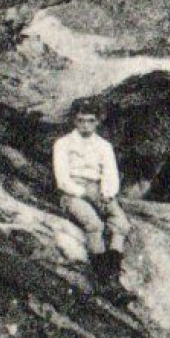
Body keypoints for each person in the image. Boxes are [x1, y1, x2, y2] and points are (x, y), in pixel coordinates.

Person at [53, 100, 134, 304]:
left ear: (97, 122)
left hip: (98, 189)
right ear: (74, 121)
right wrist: (82, 193)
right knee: (94, 224)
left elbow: (111, 175)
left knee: (121, 223)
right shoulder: (63, 144)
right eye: (81, 121)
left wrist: (107, 193)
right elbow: (62, 179)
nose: (85, 126)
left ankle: (113, 278)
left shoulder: (103, 146)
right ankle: (102, 280)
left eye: (90, 121)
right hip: (73, 192)